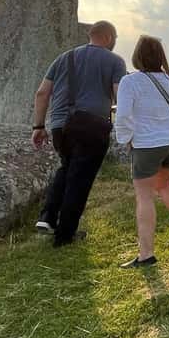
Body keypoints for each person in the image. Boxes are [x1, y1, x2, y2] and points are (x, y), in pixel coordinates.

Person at [32, 21, 126, 246]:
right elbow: (119, 96)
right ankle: (65, 235)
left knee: (67, 168)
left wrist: (38, 127)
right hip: (91, 126)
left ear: (90, 35)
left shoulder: (64, 58)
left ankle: (47, 217)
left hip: (59, 126)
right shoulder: (114, 61)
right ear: (109, 37)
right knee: (80, 180)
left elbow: (42, 93)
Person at [115, 35, 169, 268]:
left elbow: (123, 115)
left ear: (137, 56)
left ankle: (146, 254)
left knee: (144, 196)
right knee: (164, 185)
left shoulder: (130, 82)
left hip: (147, 144)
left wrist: (126, 139)